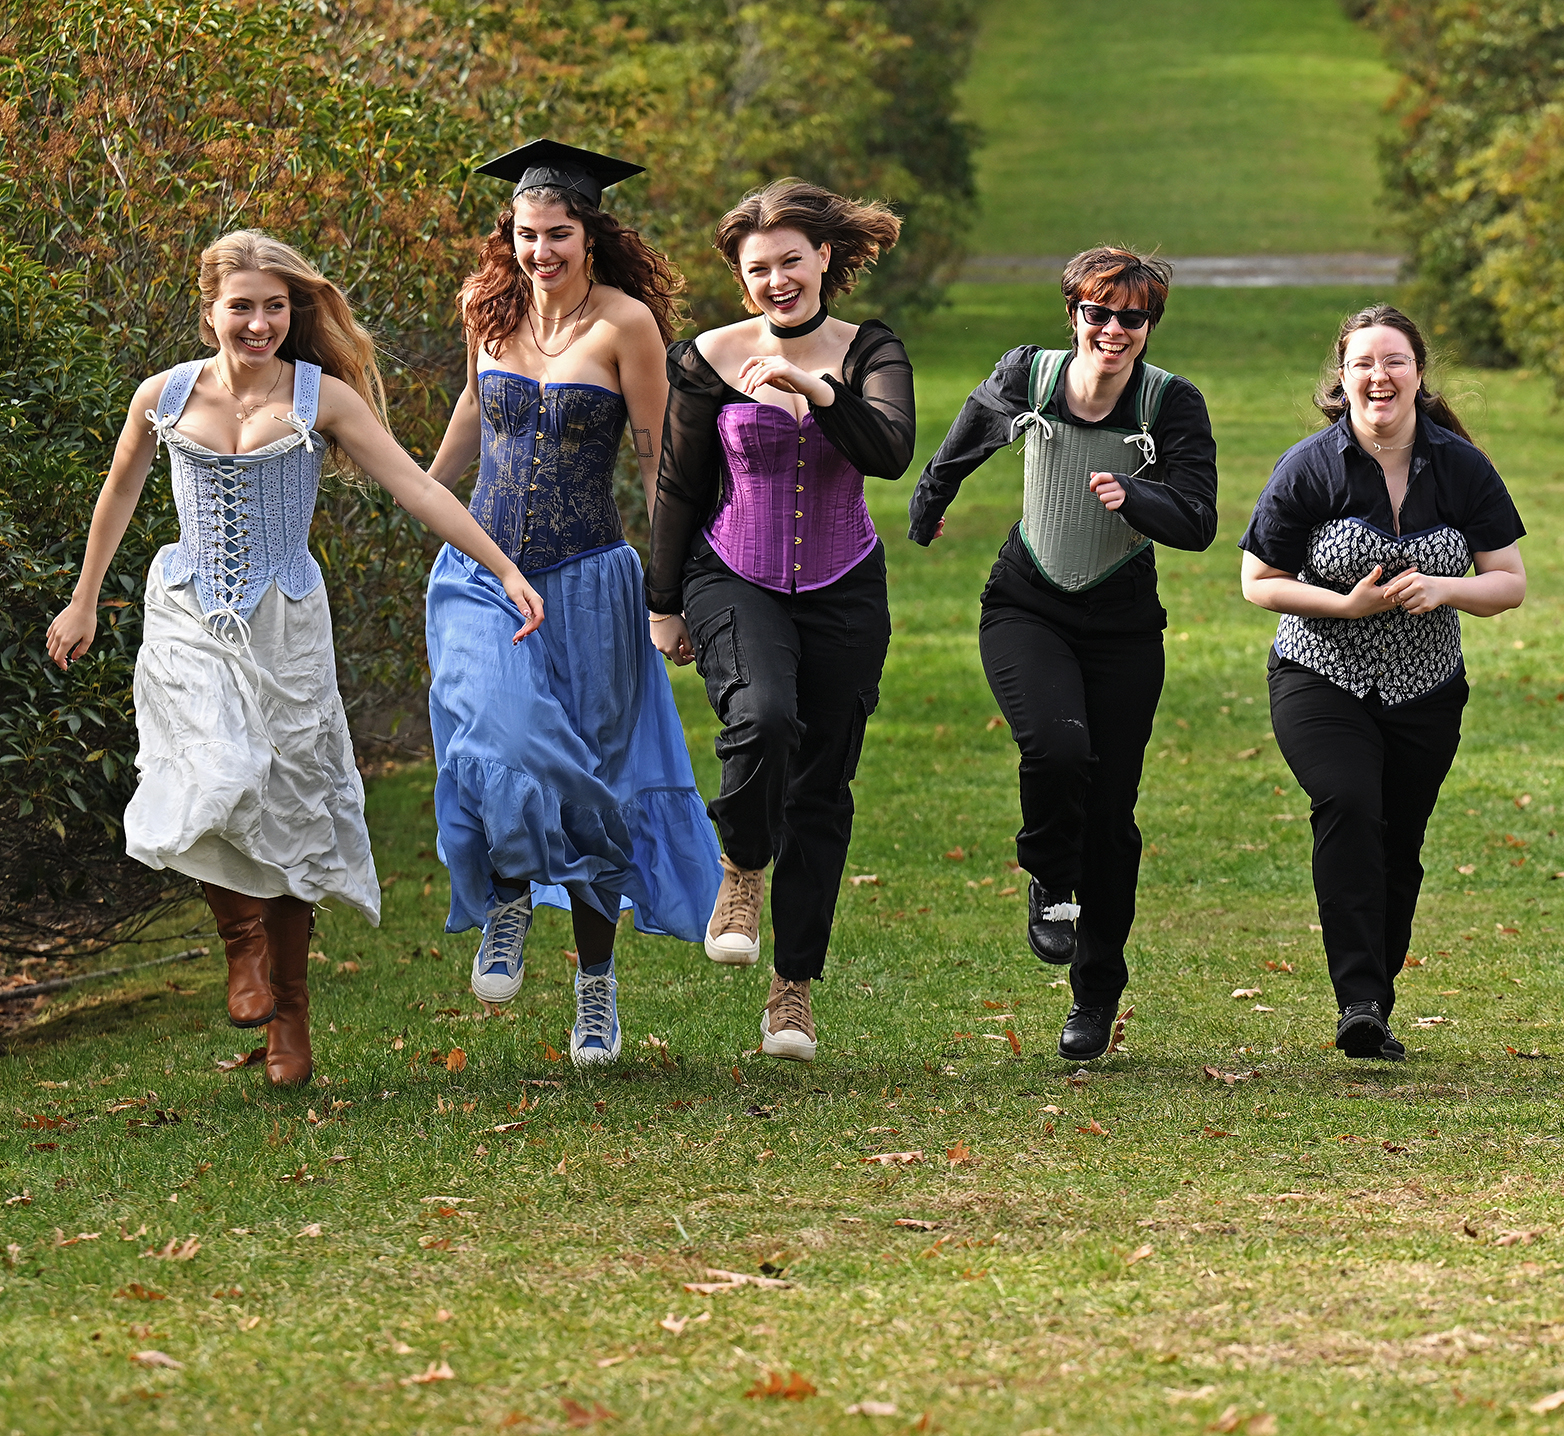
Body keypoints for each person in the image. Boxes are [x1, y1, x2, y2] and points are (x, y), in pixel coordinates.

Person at [44, 230, 545, 1087]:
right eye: (242, 306)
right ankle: (242, 947)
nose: (260, 322)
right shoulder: (161, 396)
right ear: (209, 312)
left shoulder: (325, 400)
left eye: (276, 306)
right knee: (218, 772)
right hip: (190, 613)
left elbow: (416, 485)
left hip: (288, 626)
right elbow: (121, 487)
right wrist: (85, 596)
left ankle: (292, 1017)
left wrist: (502, 567)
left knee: (294, 809)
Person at [424, 140, 720, 1066]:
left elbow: (655, 461)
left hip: (591, 579)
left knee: (592, 772)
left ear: (590, 235)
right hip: (483, 569)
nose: (541, 250)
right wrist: (426, 493)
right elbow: (474, 416)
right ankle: (508, 891)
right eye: (526, 233)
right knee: (497, 734)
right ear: (507, 235)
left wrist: (668, 596)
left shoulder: (626, 326)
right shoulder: (487, 310)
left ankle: (596, 988)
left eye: (557, 233)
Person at [909, 248, 1217, 1062]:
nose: (1112, 330)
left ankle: (1094, 994)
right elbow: (969, 432)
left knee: (1111, 817)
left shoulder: (1170, 403)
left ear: (1151, 327)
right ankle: (1048, 874)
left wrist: (1136, 495)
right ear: (1072, 313)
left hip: (1122, 624)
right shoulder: (1030, 377)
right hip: (1027, 603)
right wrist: (930, 503)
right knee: (1055, 746)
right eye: (1098, 313)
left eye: (1132, 318)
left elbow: (1199, 521)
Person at [648, 180, 914, 1062]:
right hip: (736, 572)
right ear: (741, 274)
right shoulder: (707, 357)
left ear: (824, 259)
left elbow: (890, 450)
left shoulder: (870, 349)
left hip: (844, 583)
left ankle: (791, 988)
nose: (776, 281)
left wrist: (816, 388)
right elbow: (680, 484)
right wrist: (663, 602)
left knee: (824, 786)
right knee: (762, 717)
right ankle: (742, 863)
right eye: (758, 268)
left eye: (791, 261)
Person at [1239, 305, 1526, 1061]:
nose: (1379, 376)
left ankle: (1376, 997)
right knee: (1349, 803)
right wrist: (1344, 604)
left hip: (1426, 687)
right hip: (1319, 672)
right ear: (1342, 376)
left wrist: (1445, 589)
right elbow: (1258, 581)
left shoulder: (1461, 467)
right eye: (1364, 362)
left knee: (1399, 841)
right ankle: (1357, 999)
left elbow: (1509, 583)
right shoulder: (1309, 465)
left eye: (1394, 361)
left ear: (1419, 373)